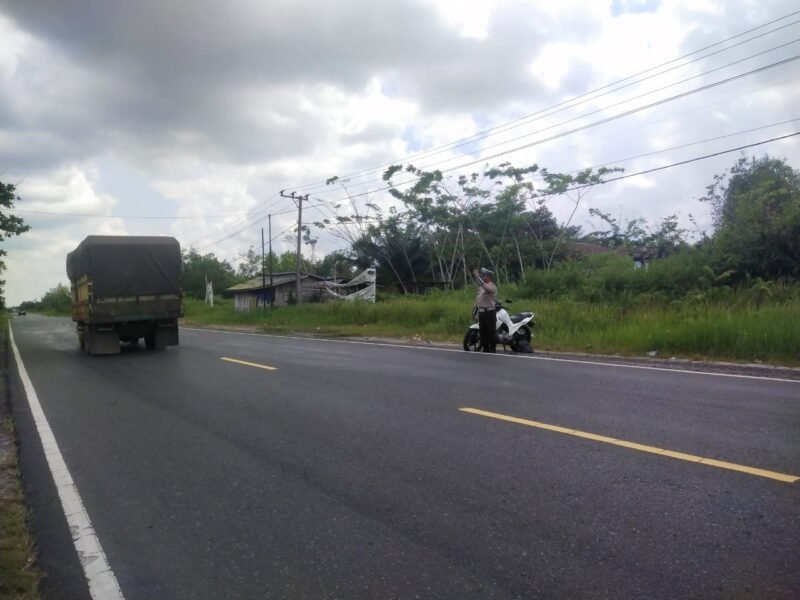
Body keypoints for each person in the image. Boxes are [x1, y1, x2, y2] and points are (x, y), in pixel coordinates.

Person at [473, 267, 498, 353]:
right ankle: (485, 348)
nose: (484, 277)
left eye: (485, 276)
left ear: (489, 277)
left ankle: (492, 349)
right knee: (483, 332)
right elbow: (478, 300)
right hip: (482, 312)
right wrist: (475, 312)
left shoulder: (492, 286)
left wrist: (477, 277)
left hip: (490, 312)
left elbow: (486, 287)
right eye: (483, 276)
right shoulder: (481, 288)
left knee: (491, 331)